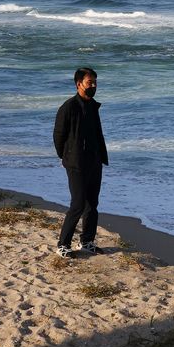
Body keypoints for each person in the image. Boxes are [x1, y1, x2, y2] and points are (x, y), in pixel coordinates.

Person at [52, 67, 109, 256]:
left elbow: (97, 134)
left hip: (94, 162)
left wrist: (101, 156)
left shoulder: (93, 106)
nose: (93, 86)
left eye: (95, 82)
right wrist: (65, 157)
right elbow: (58, 136)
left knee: (92, 204)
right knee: (77, 204)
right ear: (79, 84)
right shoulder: (68, 107)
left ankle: (86, 242)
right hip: (75, 163)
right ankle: (63, 245)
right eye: (89, 82)